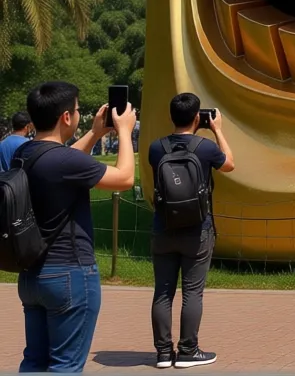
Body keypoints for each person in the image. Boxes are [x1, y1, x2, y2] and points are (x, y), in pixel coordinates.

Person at [16, 81, 136, 372]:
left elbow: (66, 159)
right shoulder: (64, 161)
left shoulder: (24, 154)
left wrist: (95, 133)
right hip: (69, 274)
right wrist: (124, 131)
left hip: (32, 275)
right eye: (78, 110)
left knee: (34, 362)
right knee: (65, 366)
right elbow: (124, 179)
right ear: (66, 117)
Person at [147, 94, 235, 369]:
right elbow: (229, 164)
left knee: (163, 292)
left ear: (171, 116)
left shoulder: (156, 148)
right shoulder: (205, 148)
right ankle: (188, 351)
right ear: (198, 118)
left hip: (163, 227)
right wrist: (218, 130)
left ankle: (163, 354)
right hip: (198, 230)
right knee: (192, 292)